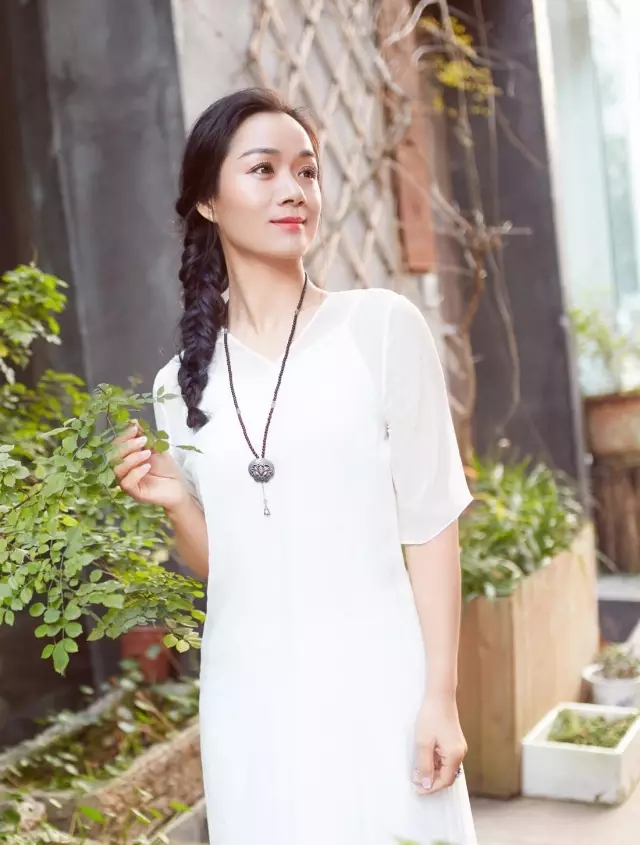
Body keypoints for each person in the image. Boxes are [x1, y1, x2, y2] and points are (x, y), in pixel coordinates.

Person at [113, 87, 477, 845]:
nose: (294, 190)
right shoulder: (178, 386)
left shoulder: (381, 329)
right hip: (251, 702)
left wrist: (439, 696)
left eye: (306, 171)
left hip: (378, 685)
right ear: (208, 201)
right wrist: (177, 502)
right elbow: (229, 566)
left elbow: (430, 525)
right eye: (264, 169)